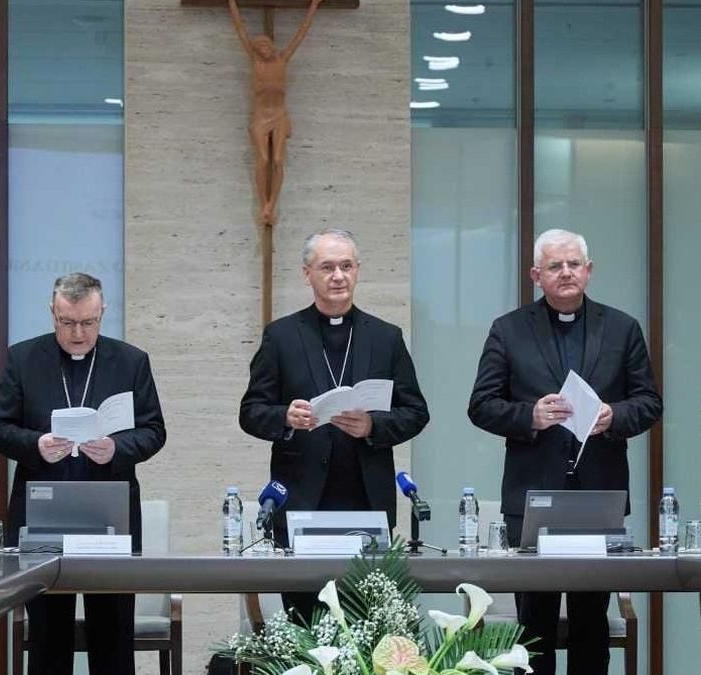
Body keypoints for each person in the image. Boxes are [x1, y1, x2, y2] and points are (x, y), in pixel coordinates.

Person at [468, 229, 661, 675]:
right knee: (533, 625)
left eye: (574, 264)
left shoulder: (622, 327)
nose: (566, 272)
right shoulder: (509, 329)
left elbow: (649, 403)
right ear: (537, 275)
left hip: (599, 493)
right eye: (555, 266)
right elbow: (481, 405)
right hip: (533, 495)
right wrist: (530, 417)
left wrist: (614, 416)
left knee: (591, 622)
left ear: (589, 271)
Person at [239, 228, 429, 618]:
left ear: (358, 271)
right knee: (307, 628)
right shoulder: (282, 336)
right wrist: (285, 417)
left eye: (346, 266)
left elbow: (415, 411)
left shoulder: (385, 337)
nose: (338, 275)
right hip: (302, 502)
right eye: (327, 267)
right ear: (307, 274)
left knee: (367, 627)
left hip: (366, 502)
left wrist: (373, 427)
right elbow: (251, 411)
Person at [0, 272, 166, 675]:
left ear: (103, 312)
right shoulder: (23, 358)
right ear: (53, 313)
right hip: (43, 512)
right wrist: (36, 445)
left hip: (110, 513)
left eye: (88, 322)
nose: (79, 333)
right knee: (49, 637)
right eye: (68, 323)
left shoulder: (131, 361)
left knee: (113, 635)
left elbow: (154, 432)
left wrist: (117, 448)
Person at [226, 0, 324, 225]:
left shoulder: (282, 59)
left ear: (271, 46)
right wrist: (231, 3)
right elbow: (240, 29)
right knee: (262, 158)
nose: (263, 50)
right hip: (261, 117)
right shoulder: (255, 62)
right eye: (259, 48)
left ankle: (272, 203)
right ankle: (264, 205)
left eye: (266, 46)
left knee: (278, 159)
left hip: (279, 115)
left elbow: (301, 34)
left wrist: (314, 6)